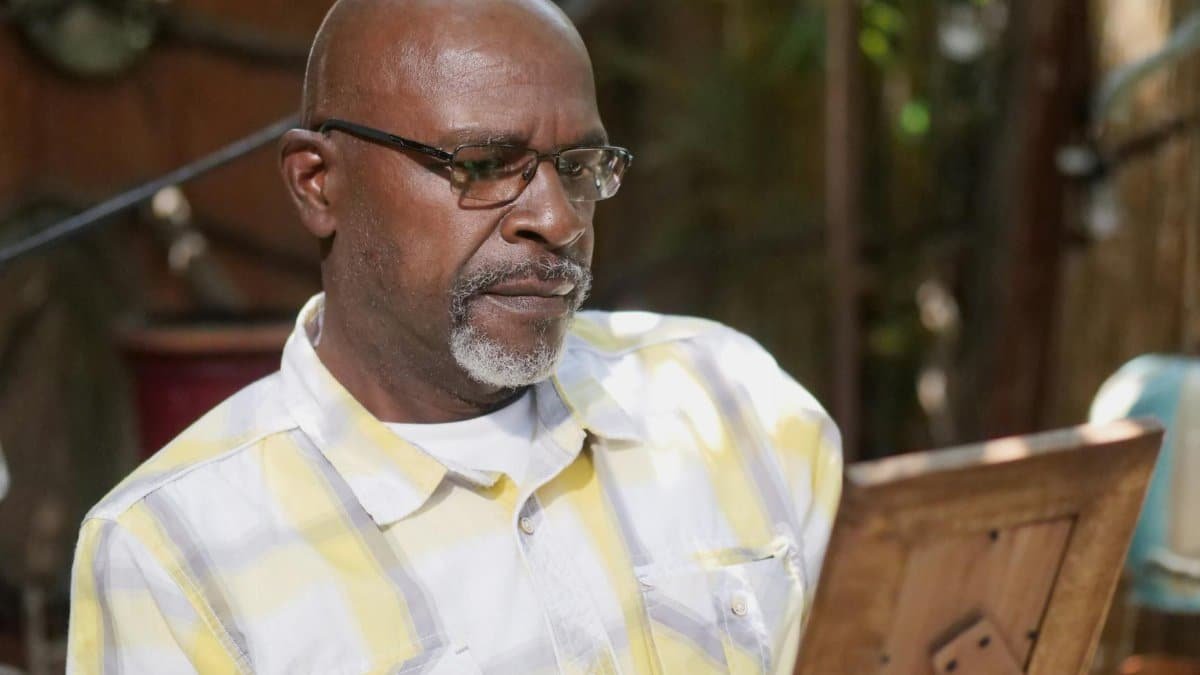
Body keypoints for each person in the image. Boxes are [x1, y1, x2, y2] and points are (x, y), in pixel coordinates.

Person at [66, 0, 842, 672]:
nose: (559, 219)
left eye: (577, 166)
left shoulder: (732, 405)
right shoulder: (176, 552)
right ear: (317, 183)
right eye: (482, 164)